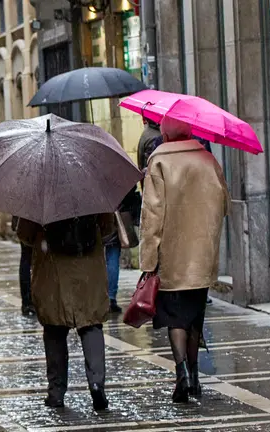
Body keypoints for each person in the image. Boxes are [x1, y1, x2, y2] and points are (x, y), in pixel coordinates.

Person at [139, 116, 229, 404]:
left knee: (174, 317)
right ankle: (195, 377)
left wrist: (148, 261)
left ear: (165, 134)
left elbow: (151, 216)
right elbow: (223, 203)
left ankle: (182, 374)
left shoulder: (159, 161)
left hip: (171, 255)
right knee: (194, 317)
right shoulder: (207, 159)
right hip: (200, 254)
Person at [16, 214, 115, 411]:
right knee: (91, 325)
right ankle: (96, 383)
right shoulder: (92, 188)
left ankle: (56, 393)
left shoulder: (39, 192)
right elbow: (108, 228)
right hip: (88, 267)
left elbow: (25, 234)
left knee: (54, 329)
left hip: (52, 269)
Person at [103, 186, 141, 313]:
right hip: (118, 216)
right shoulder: (120, 171)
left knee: (96, 257)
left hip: (100, 216)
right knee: (112, 257)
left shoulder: (95, 171)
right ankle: (111, 298)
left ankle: (99, 297)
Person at [12, 216, 34, 317]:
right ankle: (30, 301)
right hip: (33, 220)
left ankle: (27, 302)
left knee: (26, 258)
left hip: (23, 220)